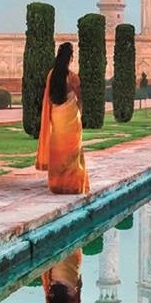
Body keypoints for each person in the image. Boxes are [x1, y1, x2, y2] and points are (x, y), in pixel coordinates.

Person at [35, 41, 90, 194]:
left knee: (59, 150)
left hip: (57, 118)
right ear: (70, 58)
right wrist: (80, 112)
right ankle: (73, 185)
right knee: (72, 153)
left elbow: (50, 98)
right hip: (71, 119)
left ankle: (57, 184)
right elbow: (80, 98)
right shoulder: (72, 77)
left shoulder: (52, 75)